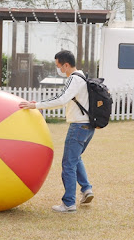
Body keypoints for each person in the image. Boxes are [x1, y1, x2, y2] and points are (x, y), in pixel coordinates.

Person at [19, 50, 95, 213]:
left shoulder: (74, 79)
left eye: (58, 66)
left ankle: (69, 203)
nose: (58, 69)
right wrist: (38, 103)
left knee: (68, 163)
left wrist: (36, 105)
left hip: (78, 127)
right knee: (75, 159)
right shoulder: (82, 77)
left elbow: (62, 100)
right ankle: (87, 189)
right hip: (88, 127)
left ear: (66, 65)